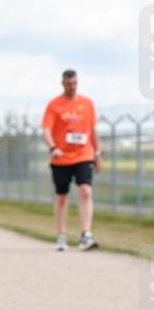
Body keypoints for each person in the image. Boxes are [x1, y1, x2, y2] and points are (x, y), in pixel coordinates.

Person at [41, 69, 101, 251]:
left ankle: (86, 235)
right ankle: (61, 236)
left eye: (75, 83)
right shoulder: (54, 105)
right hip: (61, 157)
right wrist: (53, 147)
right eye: (68, 84)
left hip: (83, 154)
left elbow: (92, 130)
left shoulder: (87, 103)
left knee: (86, 191)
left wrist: (98, 153)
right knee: (61, 197)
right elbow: (46, 130)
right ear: (63, 84)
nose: (72, 87)